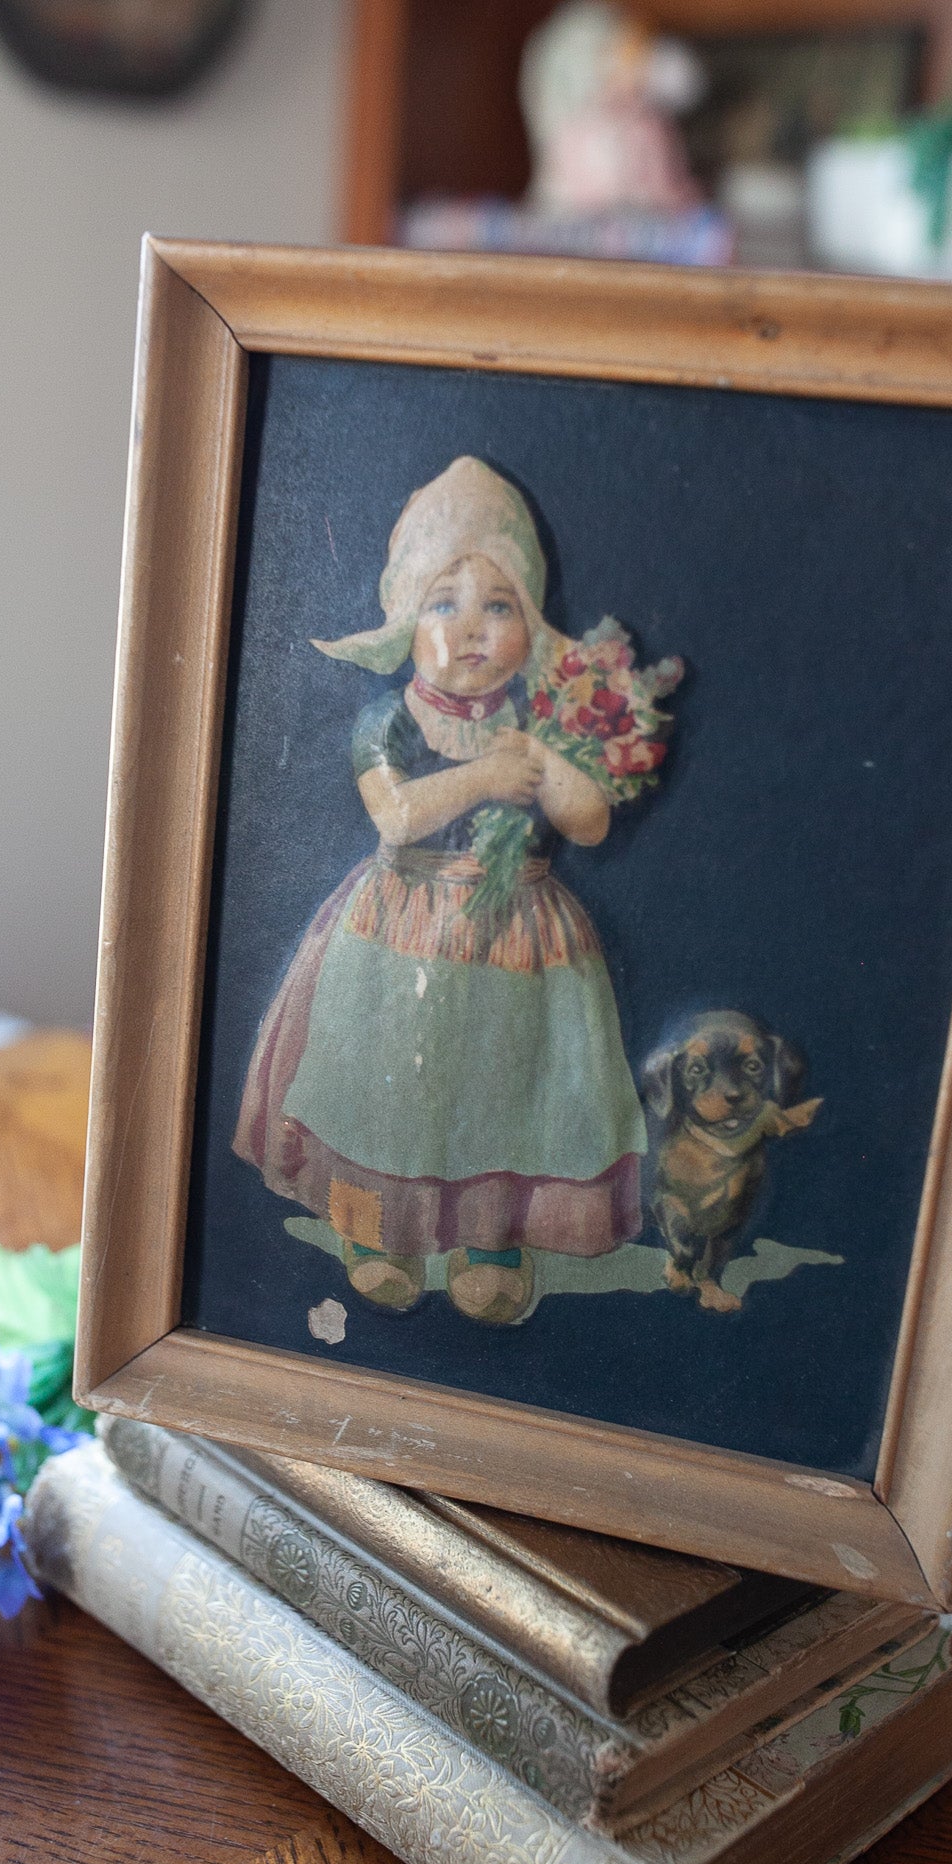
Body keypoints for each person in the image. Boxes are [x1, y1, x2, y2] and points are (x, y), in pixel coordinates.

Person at [233, 456, 648, 1324]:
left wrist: (559, 764)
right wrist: (486, 778)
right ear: (404, 623)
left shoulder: (535, 722)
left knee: (502, 1090)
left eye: (499, 606)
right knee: (379, 1084)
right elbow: (394, 815)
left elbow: (590, 825)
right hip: (398, 930)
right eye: (443, 604)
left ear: (532, 625)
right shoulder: (384, 721)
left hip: (515, 934)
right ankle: (369, 1228)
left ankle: (489, 1240)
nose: (471, 629)